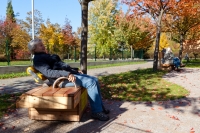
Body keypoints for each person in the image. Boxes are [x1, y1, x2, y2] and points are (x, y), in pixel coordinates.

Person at [27, 38, 109, 121]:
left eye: (42, 44)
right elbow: (49, 73)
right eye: (40, 45)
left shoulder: (45, 56)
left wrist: (75, 71)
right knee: (90, 82)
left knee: (95, 80)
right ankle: (96, 112)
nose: (43, 46)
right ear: (35, 49)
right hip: (61, 80)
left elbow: (60, 66)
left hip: (67, 76)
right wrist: (67, 74)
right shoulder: (38, 60)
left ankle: (100, 108)